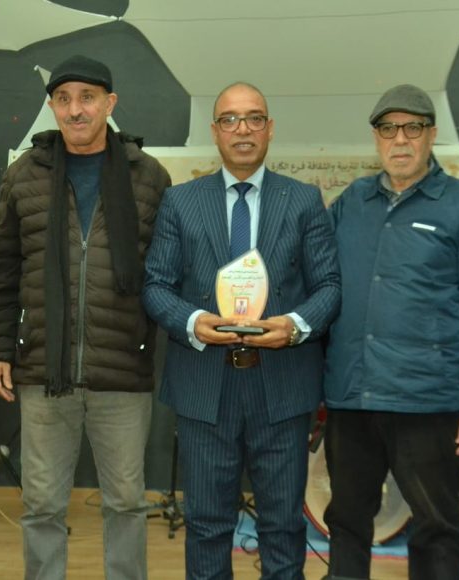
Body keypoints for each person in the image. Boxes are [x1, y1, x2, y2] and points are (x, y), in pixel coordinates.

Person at [0, 55, 171, 580]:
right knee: (41, 504)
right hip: (45, 369)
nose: (75, 110)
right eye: (63, 99)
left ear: (110, 104)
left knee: (127, 502)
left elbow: (167, 271)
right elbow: (1, 270)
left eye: (87, 97)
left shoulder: (149, 176)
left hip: (123, 370)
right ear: (52, 107)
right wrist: (1, 349)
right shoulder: (25, 174)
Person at [143, 82, 341, 579]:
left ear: (269, 129)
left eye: (254, 118)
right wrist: (194, 321)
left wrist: (294, 326)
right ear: (215, 132)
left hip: (283, 386)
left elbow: (330, 287)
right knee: (207, 525)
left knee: (283, 527)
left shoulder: (303, 200)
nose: (243, 130)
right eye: (230, 120)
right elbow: (156, 286)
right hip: (204, 387)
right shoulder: (180, 201)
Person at [321, 84, 459, 580]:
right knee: (346, 521)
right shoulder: (351, 202)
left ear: (432, 135)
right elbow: (322, 290)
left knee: (436, 526)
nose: (400, 139)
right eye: (388, 128)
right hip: (351, 397)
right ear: (375, 138)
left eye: (412, 128)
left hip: (427, 400)